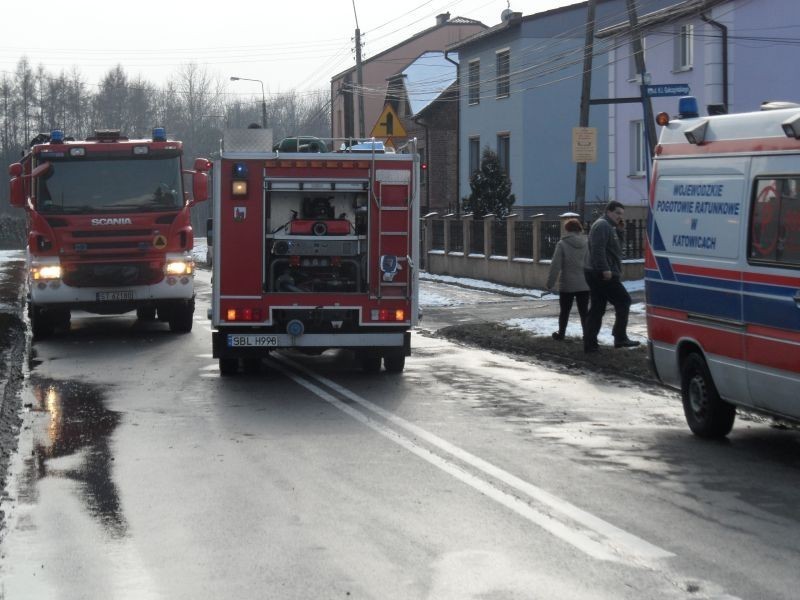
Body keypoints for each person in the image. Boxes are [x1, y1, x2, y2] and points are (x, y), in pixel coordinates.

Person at [583, 200, 640, 352]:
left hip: (598, 271)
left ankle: (590, 344)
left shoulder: (610, 227)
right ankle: (619, 337)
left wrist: (620, 231)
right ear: (608, 211)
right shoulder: (602, 225)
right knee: (624, 301)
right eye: (617, 213)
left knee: (597, 308)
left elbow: (616, 250)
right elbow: (598, 249)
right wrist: (605, 269)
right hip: (602, 273)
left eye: (622, 214)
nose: (620, 217)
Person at [546, 218, 589, 341]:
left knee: (564, 311)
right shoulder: (586, 243)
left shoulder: (562, 244)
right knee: (584, 312)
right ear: (579, 229)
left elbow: (555, 265)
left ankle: (561, 334)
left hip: (567, 284)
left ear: (567, 229)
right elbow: (590, 262)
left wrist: (550, 283)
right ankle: (587, 335)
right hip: (584, 283)